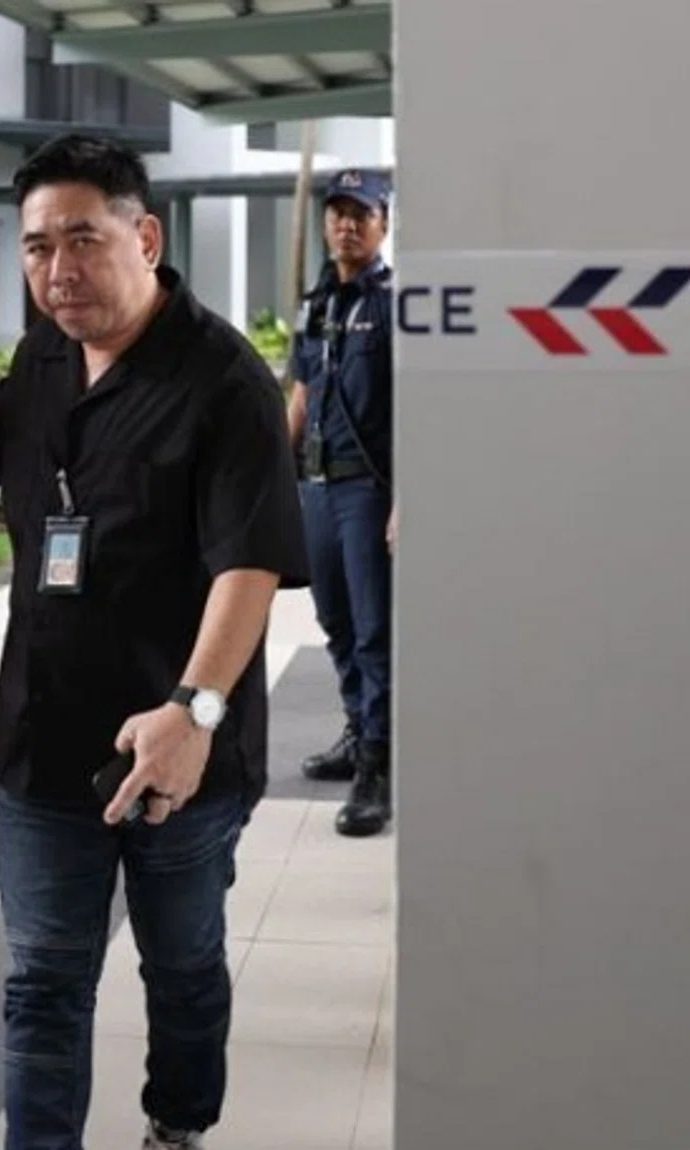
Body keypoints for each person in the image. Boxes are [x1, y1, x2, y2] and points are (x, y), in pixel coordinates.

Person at [0, 134, 307, 1150]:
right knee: (41, 978)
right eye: (37, 246)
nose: (57, 269)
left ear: (146, 235)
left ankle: (177, 1124)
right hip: (44, 741)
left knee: (181, 963)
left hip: (178, 752)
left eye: (82, 239)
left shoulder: (225, 385)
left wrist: (194, 711)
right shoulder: (47, 351)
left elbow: (248, 566)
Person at [285, 169, 395, 838]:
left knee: (376, 630)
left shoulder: (394, 302)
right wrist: (269, 475)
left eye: (361, 213)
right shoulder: (315, 304)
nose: (346, 225)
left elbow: (419, 408)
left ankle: (377, 768)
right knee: (336, 622)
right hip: (317, 487)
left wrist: (408, 499)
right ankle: (360, 730)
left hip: (369, 488)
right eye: (337, 213)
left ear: (383, 223)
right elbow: (300, 396)